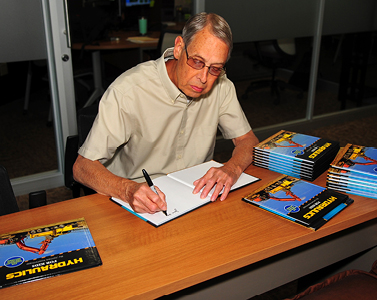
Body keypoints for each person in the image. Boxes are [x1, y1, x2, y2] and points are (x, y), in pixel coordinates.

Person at [73, 12, 259, 214]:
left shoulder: (222, 86)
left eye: (215, 68)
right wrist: (127, 190)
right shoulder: (130, 90)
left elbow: (248, 141)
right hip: (136, 199)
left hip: (195, 195)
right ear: (179, 48)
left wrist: (231, 169)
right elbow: (82, 168)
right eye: (197, 62)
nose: (204, 78)